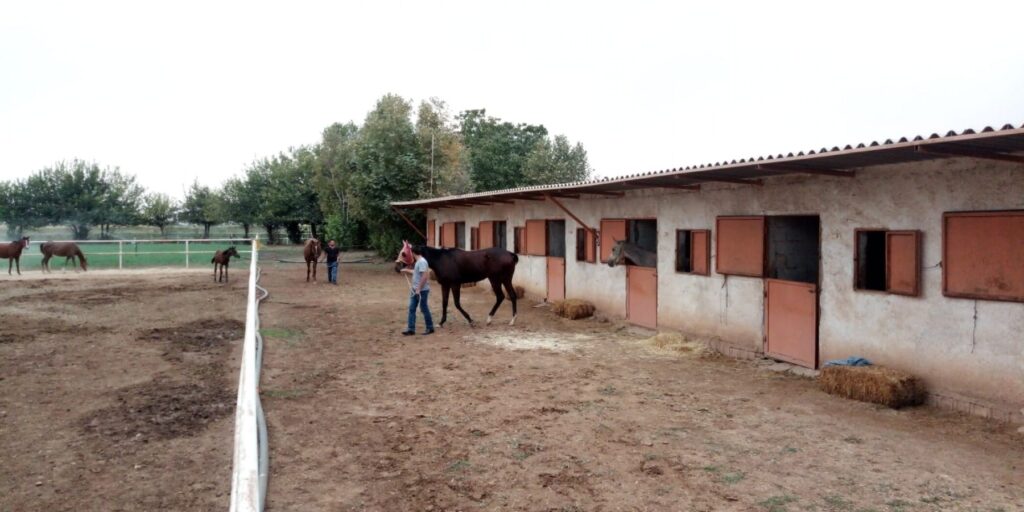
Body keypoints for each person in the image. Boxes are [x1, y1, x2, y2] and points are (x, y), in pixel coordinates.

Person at [401, 245, 434, 336]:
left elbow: (424, 276)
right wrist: (406, 270)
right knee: (412, 309)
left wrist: (419, 288)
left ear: (413, 253)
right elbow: (416, 272)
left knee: (424, 308)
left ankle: (430, 327)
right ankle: (411, 329)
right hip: (415, 290)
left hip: (421, 291)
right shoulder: (419, 262)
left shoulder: (422, 262)